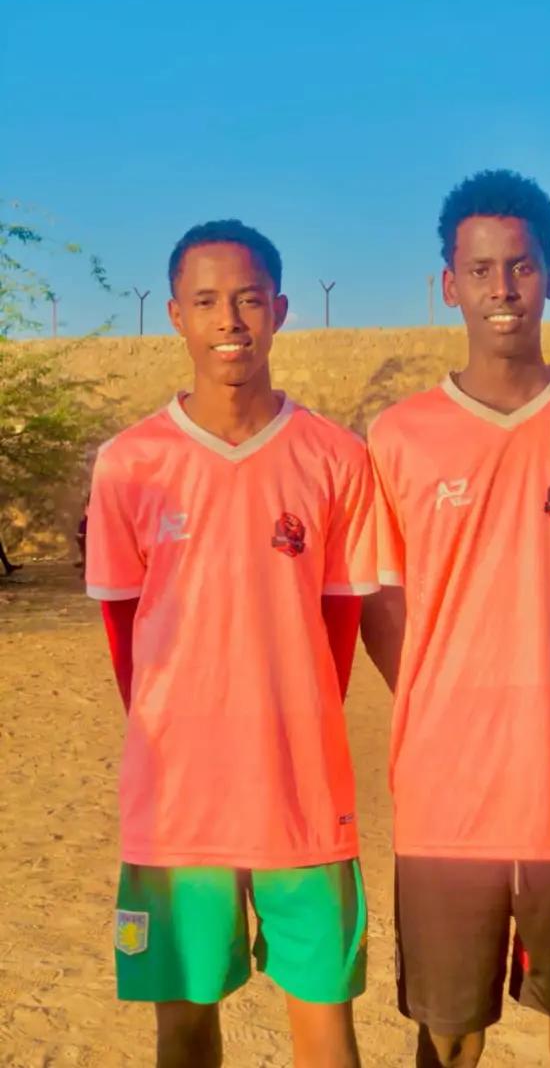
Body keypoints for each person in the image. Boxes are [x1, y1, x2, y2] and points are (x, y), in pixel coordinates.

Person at [361, 170, 550, 1068]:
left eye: (522, 266)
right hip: (447, 794)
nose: (503, 288)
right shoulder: (399, 436)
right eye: (481, 269)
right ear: (449, 285)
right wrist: (449, 707)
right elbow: (383, 603)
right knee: (450, 1030)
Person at [85, 219, 377, 1068]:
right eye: (207, 301)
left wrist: (289, 728)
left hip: (303, 800)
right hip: (178, 807)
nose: (230, 321)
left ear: (279, 310)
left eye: (248, 299)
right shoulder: (130, 463)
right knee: (183, 1028)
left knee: (324, 1024)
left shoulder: (336, 458)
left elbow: (337, 632)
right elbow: (125, 640)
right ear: (175, 314)